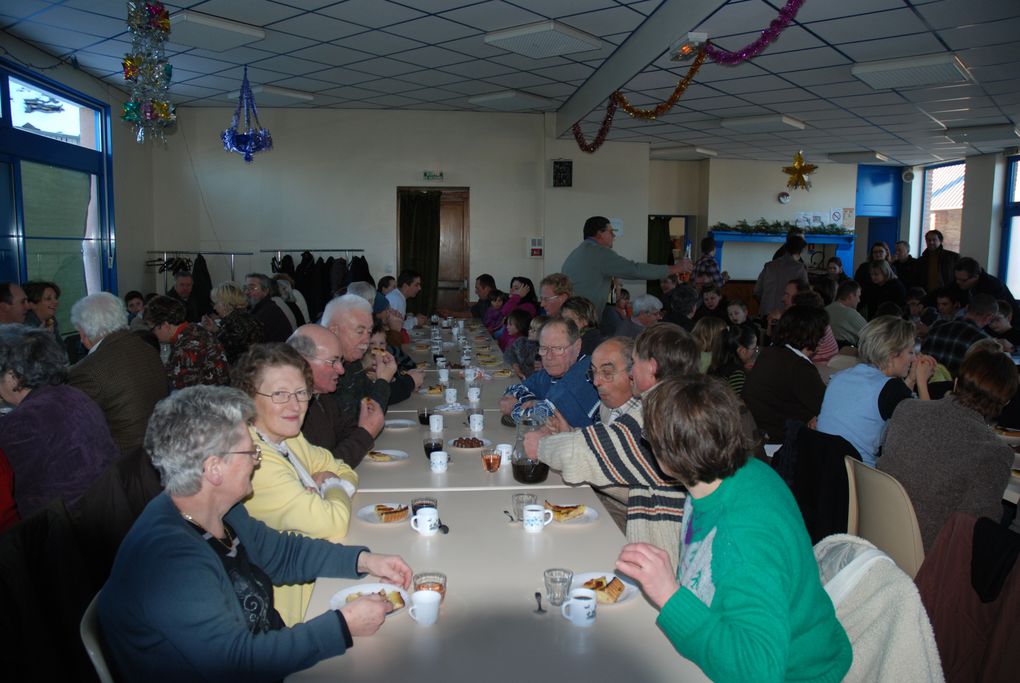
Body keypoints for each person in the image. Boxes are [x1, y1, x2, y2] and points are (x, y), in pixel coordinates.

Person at [99, 385, 412, 681]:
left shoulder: (220, 511)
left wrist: (365, 561)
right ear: (213, 469)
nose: (256, 462)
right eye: (250, 454)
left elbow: (282, 554)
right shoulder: (170, 561)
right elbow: (235, 664)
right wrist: (341, 626)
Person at [615, 374, 852, 683]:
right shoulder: (737, 474)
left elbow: (761, 671)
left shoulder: (740, 539)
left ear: (667, 455)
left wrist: (671, 597)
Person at [524, 331, 695, 566]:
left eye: (634, 364)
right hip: (641, 522)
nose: (596, 381)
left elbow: (582, 453)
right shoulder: (636, 404)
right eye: (593, 372)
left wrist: (541, 445)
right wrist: (570, 434)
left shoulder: (658, 413)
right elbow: (615, 456)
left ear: (651, 367)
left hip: (660, 545)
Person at [233, 343, 361, 625]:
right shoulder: (255, 461)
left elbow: (341, 467)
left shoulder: (287, 437)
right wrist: (331, 487)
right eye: (279, 394)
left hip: (321, 575)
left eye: (302, 393)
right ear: (249, 398)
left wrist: (326, 485)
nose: (294, 406)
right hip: (295, 608)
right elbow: (333, 522)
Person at [880, 348, 1018, 551]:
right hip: (931, 558)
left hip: (879, 533)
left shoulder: (906, 409)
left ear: (955, 383)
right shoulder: (995, 453)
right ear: (1005, 402)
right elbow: (978, 532)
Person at [0, 325, 117, 518]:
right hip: (106, 507)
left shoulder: (23, 421)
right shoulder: (71, 393)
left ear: (14, 377)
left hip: (67, 527)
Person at [817, 316, 935, 467]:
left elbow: (898, 405)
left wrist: (911, 380)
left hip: (824, 466)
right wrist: (922, 382)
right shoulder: (889, 388)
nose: (913, 359)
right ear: (892, 354)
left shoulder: (843, 375)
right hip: (859, 476)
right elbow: (929, 430)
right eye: (910, 352)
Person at [68, 292, 168, 452]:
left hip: (122, 461)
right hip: (159, 445)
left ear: (83, 331)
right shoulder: (146, 348)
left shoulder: (87, 371)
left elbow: (77, 429)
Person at [288, 324, 384, 469]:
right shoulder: (291, 410)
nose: (341, 370)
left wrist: (365, 428)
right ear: (303, 362)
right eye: (333, 362)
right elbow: (321, 470)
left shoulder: (322, 397)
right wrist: (365, 433)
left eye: (341, 361)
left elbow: (347, 432)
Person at [561, 216, 690, 317]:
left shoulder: (578, 252)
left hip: (573, 315)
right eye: (611, 232)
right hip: (581, 320)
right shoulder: (599, 252)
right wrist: (674, 268)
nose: (614, 236)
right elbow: (634, 270)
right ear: (599, 233)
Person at [742, 305, 828, 443]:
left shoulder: (770, 353)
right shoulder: (798, 366)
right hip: (779, 441)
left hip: (755, 433)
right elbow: (826, 406)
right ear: (814, 336)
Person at [499, 318, 599, 427]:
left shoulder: (588, 372)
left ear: (577, 346)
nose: (549, 356)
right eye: (544, 348)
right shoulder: (550, 373)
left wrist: (519, 407)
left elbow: (544, 420)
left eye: (558, 348)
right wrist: (533, 402)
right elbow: (513, 390)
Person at [322, 294, 397, 416]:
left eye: (369, 332)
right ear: (334, 331)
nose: (366, 340)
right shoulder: (324, 370)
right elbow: (366, 418)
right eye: (360, 331)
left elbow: (369, 399)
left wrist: (383, 378)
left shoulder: (352, 362)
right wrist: (383, 380)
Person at [145, 295, 230, 390]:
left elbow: (184, 392)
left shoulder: (186, 348)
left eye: (152, 329)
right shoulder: (195, 329)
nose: (153, 334)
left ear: (165, 325)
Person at [921, 292, 996, 376]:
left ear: (967, 308)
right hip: (956, 387)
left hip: (925, 384)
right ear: (989, 317)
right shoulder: (983, 341)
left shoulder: (937, 328)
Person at [203, 281, 264, 364]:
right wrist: (216, 329)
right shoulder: (248, 317)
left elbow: (223, 352)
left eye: (216, 303)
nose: (214, 307)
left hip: (240, 371)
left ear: (225, 304)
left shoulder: (233, 324)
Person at [950, 256, 1020, 323]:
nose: (958, 282)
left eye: (963, 280)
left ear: (976, 276)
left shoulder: (993, 286)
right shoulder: (961, 281)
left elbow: (996, 313)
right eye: (957, 279)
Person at [753, 235, 807, 319]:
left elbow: (757, 291)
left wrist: (766, 302)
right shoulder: (800, 269)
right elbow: (805, 296)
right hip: (788, 315)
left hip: (766, 313)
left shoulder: (769, 266)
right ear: (800, 251)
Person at [709, 323, 758, 395]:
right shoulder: (736, 374)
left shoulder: (715, 367)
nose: (756, 350)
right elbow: (740, 404)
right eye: (754, 348)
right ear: (742, 351)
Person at [245, 272, 294, 343]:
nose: (247, 292)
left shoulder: (267, 312)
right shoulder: (264, 307)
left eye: (252, 288)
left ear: (265, 291)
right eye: (245, 288)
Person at [825, 279, 867, 346]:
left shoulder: (825, 310)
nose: (859, 300)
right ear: (850, 296)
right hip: (847, 353)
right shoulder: (851, 314)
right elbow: (871, 334)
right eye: (858, 296)